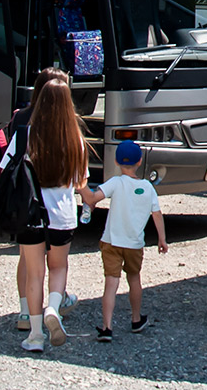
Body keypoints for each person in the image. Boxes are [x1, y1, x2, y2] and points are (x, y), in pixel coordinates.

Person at [3, 77, 89, 352]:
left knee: (34, 274)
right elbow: (80, 181)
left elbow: (7, 168)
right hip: (62, 215)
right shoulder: (75, 139)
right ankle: (54, 307)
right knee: (59, 267)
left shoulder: (24, 136)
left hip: (31, 214)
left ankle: (36, 335)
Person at [79, 140, 168, 342]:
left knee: (111, 283)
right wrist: (162, 238)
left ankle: (107, 327)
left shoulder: (115, 183)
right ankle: (136, 319)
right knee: (134, 279)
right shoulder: (147, 187)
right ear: (139, 161)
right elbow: (157, 214)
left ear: (117, 162)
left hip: (111, 242)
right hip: (134, 244)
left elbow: (93, 198)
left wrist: (81, 188)